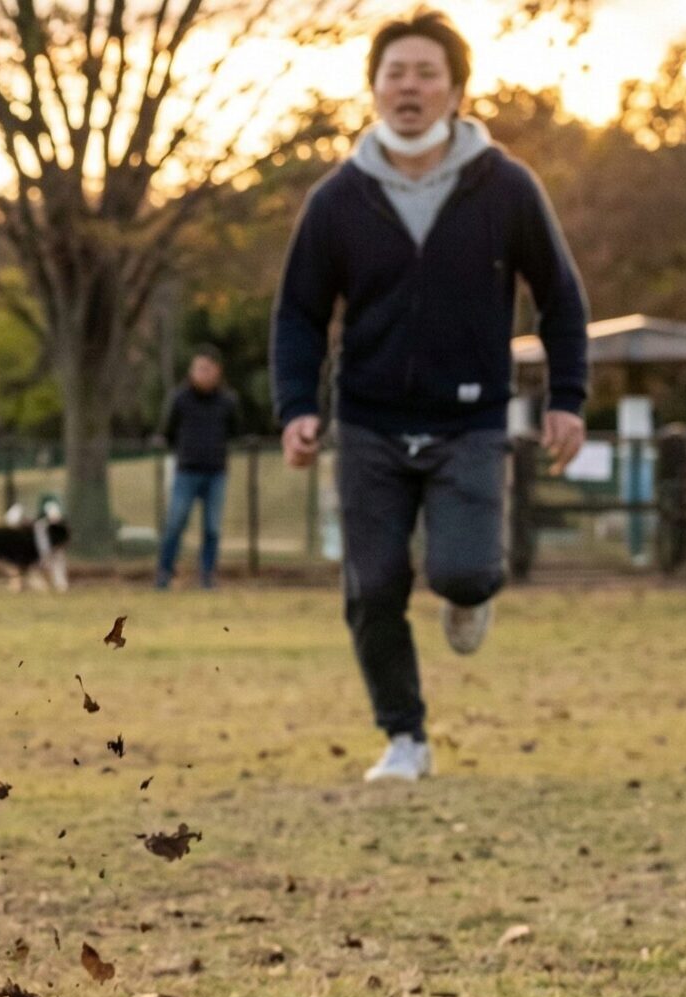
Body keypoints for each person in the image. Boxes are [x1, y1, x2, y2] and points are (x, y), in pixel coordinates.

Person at [273, 9, 588, 783]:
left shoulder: (506, 187)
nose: (409, 87)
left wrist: (567, 397)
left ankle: (470, 594)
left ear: (454, 89)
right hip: (369, 420)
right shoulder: (338, 199)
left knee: (465, 573)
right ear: (375, 88)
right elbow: (300, 314)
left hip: (470, 419)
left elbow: (560, 296)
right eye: (395, 74)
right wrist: (298, 407)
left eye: (426, 73)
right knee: (373, 587)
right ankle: (405, 738)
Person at [155, 346, 241, 590]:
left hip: (216, 472)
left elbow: (235, 431)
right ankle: (164, 573)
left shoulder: (228, 401)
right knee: (175, 523)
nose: (202, 373)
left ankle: (207, 576)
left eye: (207, 368)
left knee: (212, 528)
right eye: (198, 368)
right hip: (187, 471)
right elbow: (168, 432)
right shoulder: (180, 399)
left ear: (217, 371)